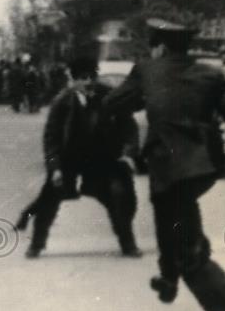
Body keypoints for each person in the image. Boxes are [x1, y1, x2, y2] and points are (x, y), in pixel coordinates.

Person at [105, 17, 225, 311]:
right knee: (178, 223)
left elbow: (114, 103)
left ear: (160, 46)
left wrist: (144, 96)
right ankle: (170, 279)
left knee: (182, 240)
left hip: (168, 165)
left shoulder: (147, 70)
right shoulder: (210, 74)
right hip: (202, 166)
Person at [15, 55, 142, 259]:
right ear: (73, 80)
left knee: (118, 197)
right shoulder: (62, 102)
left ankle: (128, 244)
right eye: (82, 78)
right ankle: (36, 245)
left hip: (103, 160)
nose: (88, 82)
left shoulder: (110, 96)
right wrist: (55, 168)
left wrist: (128, 154)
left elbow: (129, 127)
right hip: (69, 160)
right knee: (49, 200)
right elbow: (51, 138)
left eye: (91, 77)